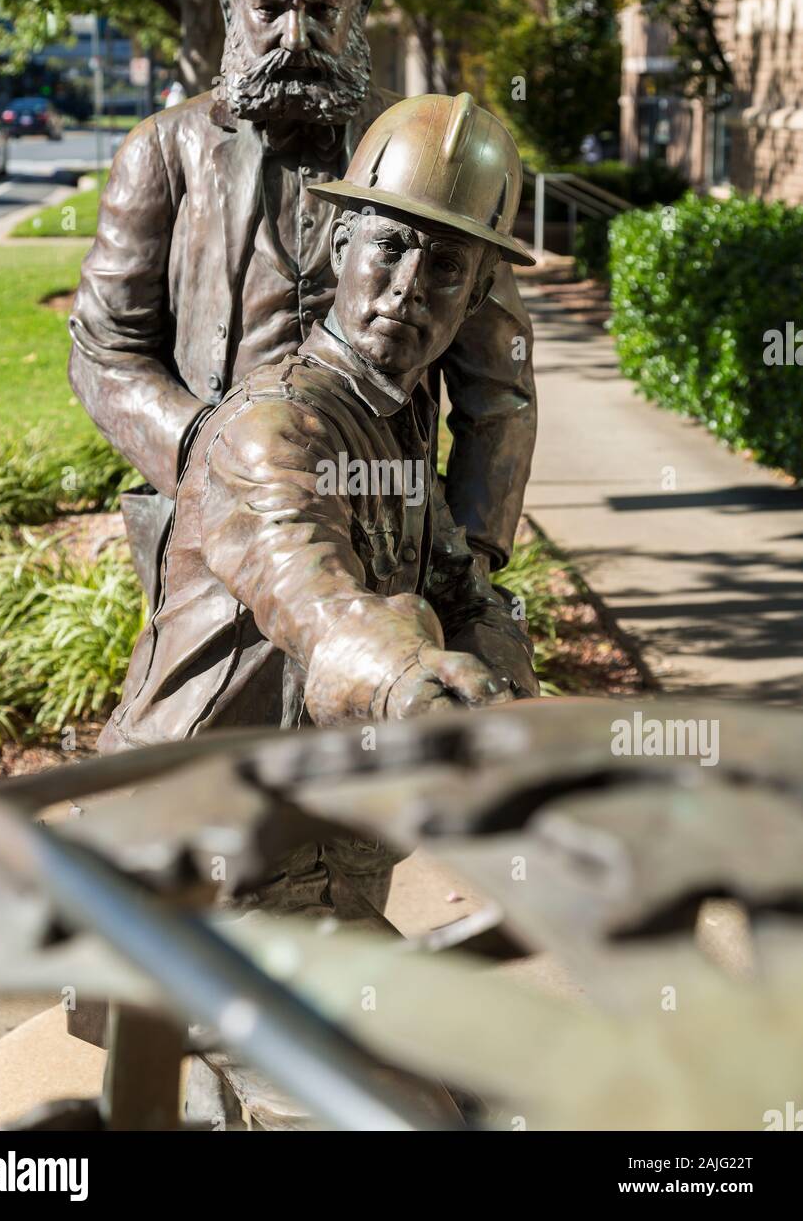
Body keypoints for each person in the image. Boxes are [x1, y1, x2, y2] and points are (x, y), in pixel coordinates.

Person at [97, 92, 540, 1127]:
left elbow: (466, 596)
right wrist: (403, 675)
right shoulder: (269, 429)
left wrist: (513, 708)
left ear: (476, 291)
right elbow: (312, 590)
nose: (403, 291)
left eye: (445, 270)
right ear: (340, 240)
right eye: (387, 248)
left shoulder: (392, 442)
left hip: (319, 889)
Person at [67, 0, 537, 609]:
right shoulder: (163, 153)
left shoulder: (422, 157)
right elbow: (105, 351)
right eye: (268, 8)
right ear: (231, 8)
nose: (295, 36)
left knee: (375, 702)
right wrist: (219, 460)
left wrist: (468, 555)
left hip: (387, 549)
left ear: (359, 12)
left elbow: (499, 380)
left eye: (320, 9)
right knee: (204, 723)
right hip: (212, 548)